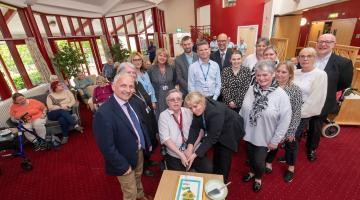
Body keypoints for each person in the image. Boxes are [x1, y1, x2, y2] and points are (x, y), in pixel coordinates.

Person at [93, 73, 153, 200]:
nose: (128, 90)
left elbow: (141, 124)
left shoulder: (133, 103)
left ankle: (141, 197)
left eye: (131, 86)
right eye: (123, 86)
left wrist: (146, 142)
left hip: (139, 151)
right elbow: (106, 147)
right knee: (130, 192)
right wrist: (122, 166)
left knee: (138, 177)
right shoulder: (103, 113)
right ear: (113, 86)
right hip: (122, 159)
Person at [240, 60, 292, 192]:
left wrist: (275, 140)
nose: (261, 78)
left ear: (273, 74)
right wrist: (239, 128)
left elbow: (285, 120)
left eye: (265, 75)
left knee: (259, 161)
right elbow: (243, 110)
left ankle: (258, 177)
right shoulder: (251, 89)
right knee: (250, 157)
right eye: (258, 75)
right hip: (249, 132)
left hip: (266, 137)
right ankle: (252, 172)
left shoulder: (281, 95)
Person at [309, 33, 353, 161]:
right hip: (305, 98)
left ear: (334, 45)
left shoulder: (343, 63)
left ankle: (311, 148)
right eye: (320, 41)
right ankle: (292, 146)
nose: (323, 44)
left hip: (324, 100)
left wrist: (327, 91)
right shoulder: (308, 57)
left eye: (328, 42)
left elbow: (344, 83)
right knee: (300, 122)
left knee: (316, 125)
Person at [184, 91, 245, 183]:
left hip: (231, 129)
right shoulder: (199, 106)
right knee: (217, 152)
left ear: (202, 101)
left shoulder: (215, 112)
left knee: (224, 155)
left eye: (195, 107)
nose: (193, 110)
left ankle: (222, 183)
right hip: (217, 127)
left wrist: (194, 155)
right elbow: (194, 127)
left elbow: (212, 138)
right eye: (190, 108)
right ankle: (215, 174)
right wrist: (190, 146)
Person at [118, 62, 159, 177]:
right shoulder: (124, 90)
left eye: (133, 72)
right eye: (128, 72)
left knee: (151, 140)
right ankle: (144, 167)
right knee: (144, 143)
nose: (132, 74)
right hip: (139, 121)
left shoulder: (138, 84)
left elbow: (146, 97)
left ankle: (148, 159)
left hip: (148, 114)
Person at [264, 62, 303, 183]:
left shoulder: (295, 90)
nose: (280, 74)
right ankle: (268, 162)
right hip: (272, 125)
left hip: (288, 126)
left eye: (284, 72)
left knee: (291, 147)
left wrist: (291, 131)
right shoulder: (270, 86)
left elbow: (297, 112)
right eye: (278, 71)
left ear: (290, 74)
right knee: (272, 144)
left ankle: (291, 168)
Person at [158, 89, 212, 173]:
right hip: (175, 154)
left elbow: (200, 132)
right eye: (172, 100)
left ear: (182, 101)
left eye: (178, 99)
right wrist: (181, 155)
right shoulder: (163, 116)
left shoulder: (190, 111)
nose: (176, 102)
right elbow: (165, 139)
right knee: (178, 177)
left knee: (208, 169)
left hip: (194, 150)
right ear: (167, 102)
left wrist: (191, 150)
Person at [294, 47, 328, 162]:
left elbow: (316, 98)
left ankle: (291, 163)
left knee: (293, 137)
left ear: (315, 58)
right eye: (302, 56)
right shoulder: (295, 72)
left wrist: (299, 113)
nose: (305, 59)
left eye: (309, 56)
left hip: (303, 112)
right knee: (289, 137)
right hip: (289, 108)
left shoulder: (320, 75)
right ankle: (289, 155)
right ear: (298, 58)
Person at [148, 48, 177, 117]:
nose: (162, 58)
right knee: (160, 116)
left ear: (167, 58)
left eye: (165, 56)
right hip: (158, 96)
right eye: (160, 55)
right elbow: (149, 84)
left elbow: (175, 80)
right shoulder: (151, 69)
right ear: (157, 56)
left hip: (170, 95)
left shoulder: (171, 67)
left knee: (172, 114)